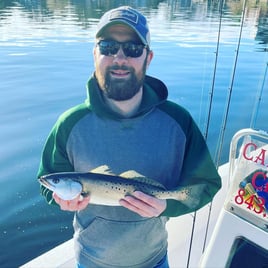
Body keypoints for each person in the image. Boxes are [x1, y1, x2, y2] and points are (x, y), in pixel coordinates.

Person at [38, 6, 221, 268]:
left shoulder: (179, 122)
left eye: (133, 49)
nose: (120, 57)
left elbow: (205, 184)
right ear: (94, 54)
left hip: (154, 260)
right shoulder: (69, 124)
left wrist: (167, 207)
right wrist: (61, 200)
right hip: (90, 261)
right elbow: (48, 180)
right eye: (109, 47)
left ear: (149, 57)